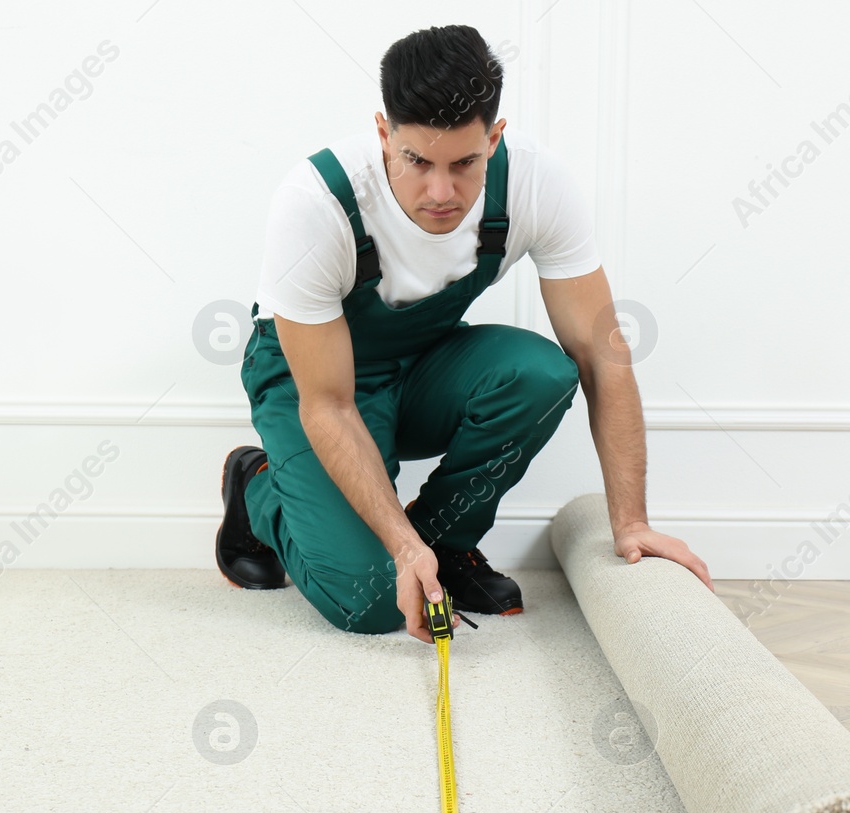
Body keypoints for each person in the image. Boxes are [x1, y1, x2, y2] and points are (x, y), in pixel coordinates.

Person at [217, 24, 713, 643]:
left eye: (465, 163)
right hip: (313, 386)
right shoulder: (315, 204)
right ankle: (258, 485)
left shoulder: (534, 182)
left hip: (422, 366)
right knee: (370, 604)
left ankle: (445, 546)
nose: (441, 192)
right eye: (417, 161)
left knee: (543, 375)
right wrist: (398, 547)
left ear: (494, 138)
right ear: (383, 133)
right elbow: (330, 404)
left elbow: (601, 356)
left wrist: (632, 522)